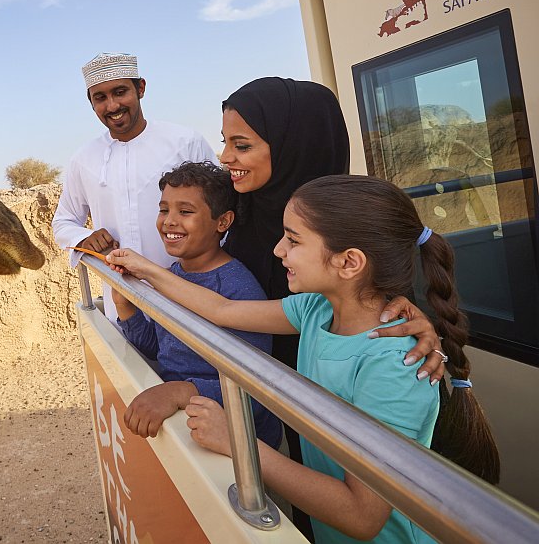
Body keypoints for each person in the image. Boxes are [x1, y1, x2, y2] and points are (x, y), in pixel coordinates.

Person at [107, 175, 500, 544]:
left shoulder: (394, 365)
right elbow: (222, 309)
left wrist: (237, 440)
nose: (278, 250)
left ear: (348, 262)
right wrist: (144, 270)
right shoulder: (315, 310)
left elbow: (363, 516)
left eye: (293, 240)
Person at [219, 77, 446, 377]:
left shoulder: (354, 220)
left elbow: (394, 313)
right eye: (225, 142)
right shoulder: (228, 203)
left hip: (334, 394)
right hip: (249, 383)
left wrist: (420, 327)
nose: (224, 158)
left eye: (242, 145)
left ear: (297, 143)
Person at [111, 161, 282, 447]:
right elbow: (162, 348)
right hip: (185, 426)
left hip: (242, 449)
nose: (169, 221)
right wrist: (126, 307)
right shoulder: (172, 276)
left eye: (185, 211)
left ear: (223, 222)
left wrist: (180, 392)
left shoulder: (237, 289)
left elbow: (255, 392)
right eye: (164, 209)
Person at [52, 52, 216, 321]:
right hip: (124, 303)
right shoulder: (83, 159)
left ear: (140, 88)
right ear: (90, 102)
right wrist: (83, 238)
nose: (112, 105)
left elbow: (222, 211)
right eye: (100, 98)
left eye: (120, 92)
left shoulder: (184, 141)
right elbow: (63, 222)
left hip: (190, 296)